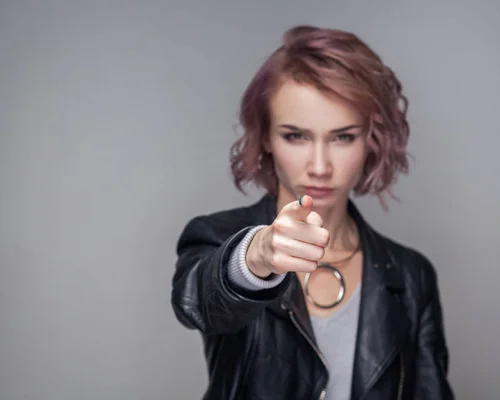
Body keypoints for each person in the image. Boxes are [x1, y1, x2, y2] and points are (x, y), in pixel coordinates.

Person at [171, 25, 454, 400]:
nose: (320, 166)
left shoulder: (411, 275)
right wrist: (255, 256)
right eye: (296, 136)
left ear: (371, 140)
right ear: (266, 138)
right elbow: (196, 301)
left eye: (342, 137)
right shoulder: (217, 237)